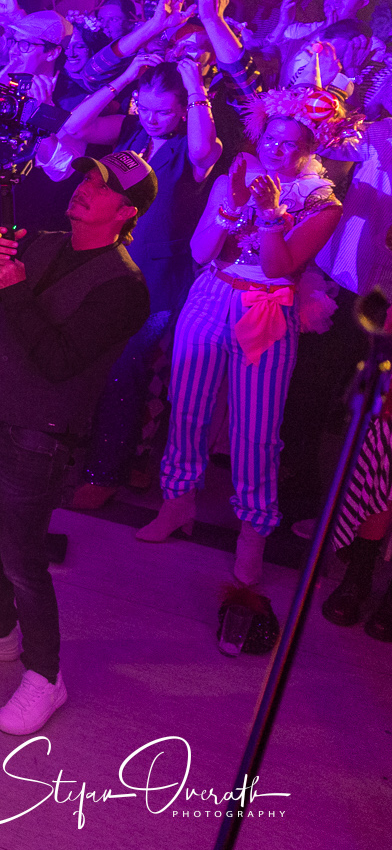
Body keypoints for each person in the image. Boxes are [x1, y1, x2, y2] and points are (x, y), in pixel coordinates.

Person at [0, 152, 155, 734]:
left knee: (24, 560)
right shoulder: (43, 242)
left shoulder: (125, 287)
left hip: (41, 435)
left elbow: (58, 362)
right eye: (86, 177)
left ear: (127, 212)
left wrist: (18, 293)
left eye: (101, 187)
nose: (84, 188)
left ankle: (46, 676)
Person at [138, 91, 344, 588]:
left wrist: (271, 214)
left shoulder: (322, 201)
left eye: (289, 143)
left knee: (257, 430)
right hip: (212, 293)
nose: (275, 149)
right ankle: (177, 502)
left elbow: (278, 266)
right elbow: (199, 251)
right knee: (187, 407)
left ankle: (253, 533)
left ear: (311, 147)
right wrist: (229, 208)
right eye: (271, 138)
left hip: (266, 309)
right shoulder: (237, 173)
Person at [56, 52, 221, 507]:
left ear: (184, 109)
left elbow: (203, 151)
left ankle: (106, 471)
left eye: (162, 111)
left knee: (128, 368)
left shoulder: (193, 145)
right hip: (111, 263)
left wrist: (196, 86)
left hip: (159, 276)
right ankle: (107, 458)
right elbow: (74, 128)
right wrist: (127, 76)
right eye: (144, 107)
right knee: (102, 363)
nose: (150, 118)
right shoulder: (132, 133)